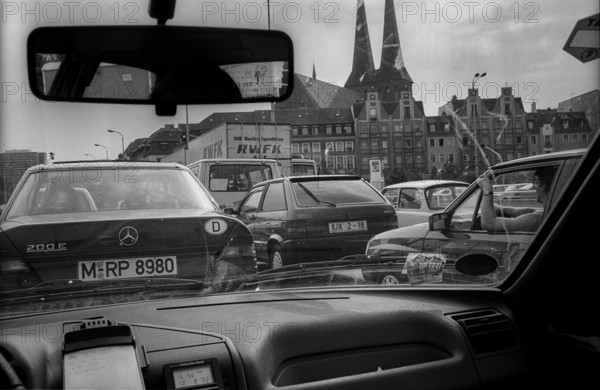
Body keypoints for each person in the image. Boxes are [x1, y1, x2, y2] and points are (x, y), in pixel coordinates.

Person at [476, 166, 557, 233]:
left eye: (535, 182)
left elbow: (488, 224)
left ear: (545, 186)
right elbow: (523, 211)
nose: (533, 187)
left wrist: (487, 190)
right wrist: (499, 208)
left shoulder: (537, 220)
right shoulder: (547, 212)